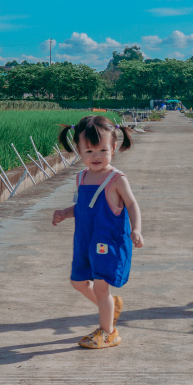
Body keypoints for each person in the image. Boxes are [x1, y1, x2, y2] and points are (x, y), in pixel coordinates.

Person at [52, 114, 144, 349]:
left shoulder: (116, 179)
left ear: (114, 147)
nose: (96, 157)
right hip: (84, 240)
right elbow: (84, 207)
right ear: (79, 150)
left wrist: (136, 229)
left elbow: (132, 205)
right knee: (78, 281)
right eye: (89, 151)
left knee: (102, 286)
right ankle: (109, 307)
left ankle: (108, 332)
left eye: (102, 150)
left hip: (108, 241)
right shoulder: (81, 178)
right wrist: (65, 212)